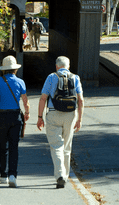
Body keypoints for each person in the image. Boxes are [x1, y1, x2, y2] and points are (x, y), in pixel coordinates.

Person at [36, 56, 84, 189]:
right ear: (68, 67)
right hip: (70, 115)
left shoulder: (51, 77)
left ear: (57, 66)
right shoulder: (75, 78)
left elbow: (43, 98)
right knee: (67, 146)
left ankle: (60, 175)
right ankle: (66, 176)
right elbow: (80, 100)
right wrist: (79, 119)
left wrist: (40, 117)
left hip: (53, 113)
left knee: (56, 146)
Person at [0, 55, 30, 188]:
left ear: (3, 69)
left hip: (1, 116)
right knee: (14, 146)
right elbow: (25, 100)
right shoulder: (20, 82)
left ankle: (3, 175)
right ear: (15, 69)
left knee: (3, 146)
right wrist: (27, 113)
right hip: (15, 116)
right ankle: (12, 175)